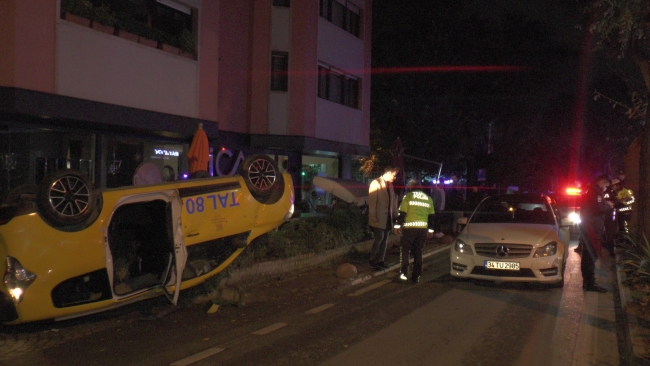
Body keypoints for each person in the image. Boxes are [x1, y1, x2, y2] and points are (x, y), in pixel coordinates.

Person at [393, 179, 435, 283]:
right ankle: (416, 276)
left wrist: (397, 226)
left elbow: (402, 213)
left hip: (409, 229)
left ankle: (404, 274)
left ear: (411, 187)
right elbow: (432, 217)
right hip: (422, 230)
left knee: (405, 251)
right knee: (418, 252)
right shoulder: (428, 198)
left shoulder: (408, 196)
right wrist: (431, 230)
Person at [579, 174, 614, 293]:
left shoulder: (592, 190)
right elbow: (597, 208)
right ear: (602, 182)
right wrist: (608, 206)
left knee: (589, 255)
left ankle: (588, 282)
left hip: (590, 226)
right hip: (592, 228)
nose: (605, 187)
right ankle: (590, 283)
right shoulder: (595, 192)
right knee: (590, 255)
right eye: (605, 184)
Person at [368, 166, 399, 270]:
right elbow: (372, 201)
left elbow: (393, 201)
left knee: (385, 239)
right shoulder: (376, 183)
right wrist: (372, 215)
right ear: (389, 173)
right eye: (394, 175)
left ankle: (381, 260)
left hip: (387, 218)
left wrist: (395, 214)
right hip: (379, 217)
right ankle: (372, 259)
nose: (395, 178)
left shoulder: (390, 185)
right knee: (379, 238)